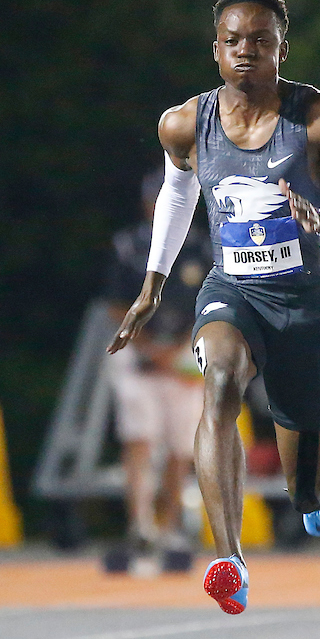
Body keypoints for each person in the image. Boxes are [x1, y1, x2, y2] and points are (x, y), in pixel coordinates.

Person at [108, 0, 320, 614]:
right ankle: (227, 557)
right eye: (233, 42)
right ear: (216, 51)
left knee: (305, 494)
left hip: (301, 302)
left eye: (260, 40)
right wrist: (152, 285)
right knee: (221, 378)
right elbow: (177, 198)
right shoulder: (184, 123)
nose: (246, 52)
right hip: (232, 290)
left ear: (283, 48)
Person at [104, 169, 213, 553]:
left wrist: (177, 349)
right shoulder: (129, 246)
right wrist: (150, 348)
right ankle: (141, 524)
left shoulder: (202, 247)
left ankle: (167, 526)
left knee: (181, 447)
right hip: (137, 350)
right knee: (140, 438)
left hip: (183, 352)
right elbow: (116, 304)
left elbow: (210, 302)